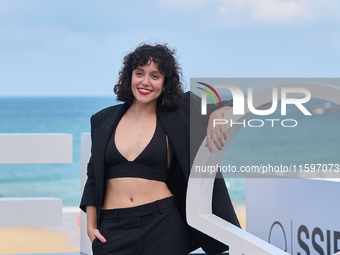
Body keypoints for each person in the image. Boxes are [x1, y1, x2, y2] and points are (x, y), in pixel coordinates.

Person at [80, 43, 240, 255]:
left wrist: (218, 114)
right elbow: (94, 175)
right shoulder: (103, 119)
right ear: (130, 77)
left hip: (163, 224)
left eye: (155, 76)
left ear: (165, 83)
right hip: (112, 229)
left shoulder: (181, 112)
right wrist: (91, 226)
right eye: (139, 74)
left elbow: (240, 102)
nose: (145, 82)